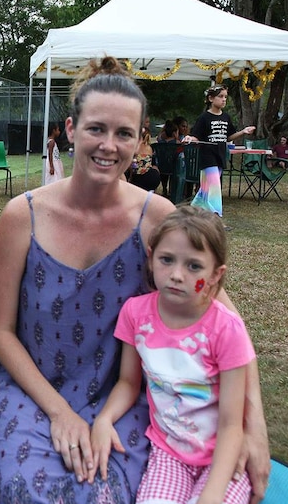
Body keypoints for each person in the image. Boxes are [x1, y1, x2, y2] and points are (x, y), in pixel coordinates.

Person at [0, 57, 270, 504]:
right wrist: (60, 413)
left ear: (142, 140)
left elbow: (226, 319)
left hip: (122, 395)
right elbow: (0, 332)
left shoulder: (157, 219)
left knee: (112, 493)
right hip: (31, 388)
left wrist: (253, 427)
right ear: (70, 128)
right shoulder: (22, 216)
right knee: (25, 488)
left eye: (124, 134)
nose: (108, 145)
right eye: (96, 129)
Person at [97, 205, 255, 504]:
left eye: (194, 266)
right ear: (151, 256)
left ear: (215, 274)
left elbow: (233, 424)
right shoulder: (135, 314)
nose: (177, 275)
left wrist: (212, 492)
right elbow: (128, 383)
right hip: (168, 454)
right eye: (166, 260)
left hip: (222, 460)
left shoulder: (227, 329)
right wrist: (105, 420)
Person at [183, 85, 255, 217]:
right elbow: (196, 136)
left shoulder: (226, 117)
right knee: (215, 187)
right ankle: (216, 216)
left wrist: (243, 132)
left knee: (205, 190)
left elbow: (229, 137)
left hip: (220, 157)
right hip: (207, 158)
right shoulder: (204, 117)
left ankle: (193, 211)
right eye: (220, 96)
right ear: (211, 98)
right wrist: (189, 138)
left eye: (225, 97)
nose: (224, 100)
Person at [128, 125, 160, 191]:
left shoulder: (133, 147)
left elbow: (131, 168)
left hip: (137, 179)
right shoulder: (149, 148)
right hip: (151, 177)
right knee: (155, 168)